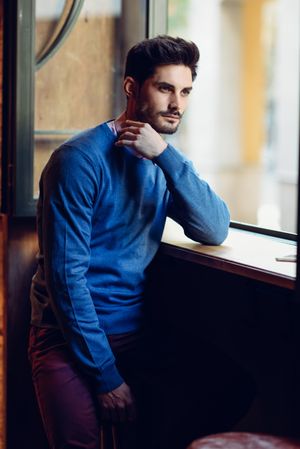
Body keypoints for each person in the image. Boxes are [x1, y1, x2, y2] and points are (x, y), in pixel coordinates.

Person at [28, 35, 233, 449]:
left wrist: (165, 157)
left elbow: (214, 229)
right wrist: (106, 376)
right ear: (131, 88)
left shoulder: (161, 158)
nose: (178, 104)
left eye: (186, 91)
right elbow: (67, 280)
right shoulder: (79, 161)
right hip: (67, 336)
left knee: (229, 387)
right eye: (164, 88)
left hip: (136, 334)